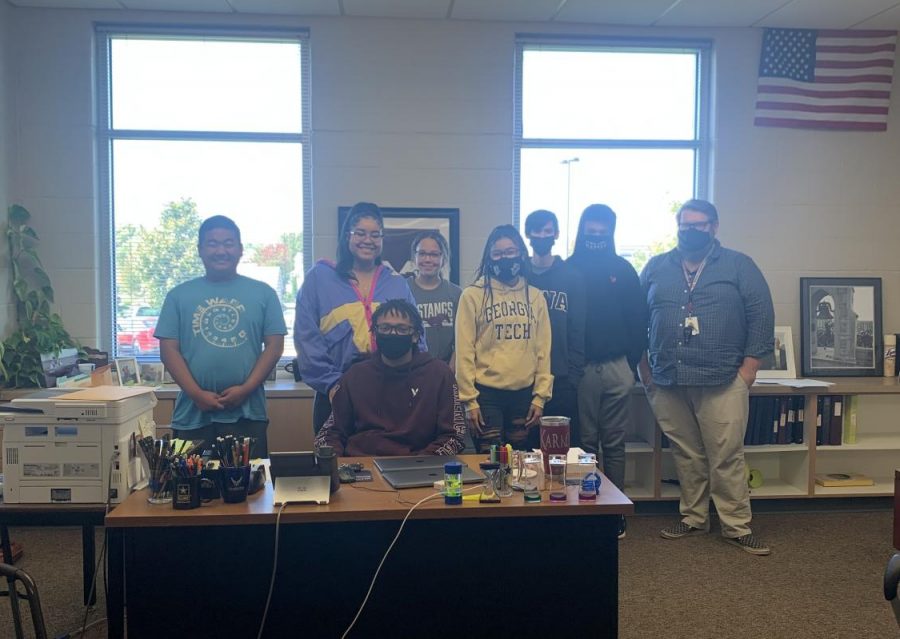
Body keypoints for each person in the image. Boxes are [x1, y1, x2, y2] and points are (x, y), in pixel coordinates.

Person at [639, 199, 775, 556]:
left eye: (698, 225)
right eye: (685, 225)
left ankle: (735, 526)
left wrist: (748, 370)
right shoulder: (656, 267)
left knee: (725, 456)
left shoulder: (739, 265)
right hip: (667, 378)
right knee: (687, 454)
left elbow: (761, 316)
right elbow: (635, 317)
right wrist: (645, 370)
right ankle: (694, 518)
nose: (691, 231)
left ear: (714, 227)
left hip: (722, 377)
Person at [155, 215, 286, 456]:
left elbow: (275, 347)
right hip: (192, 416)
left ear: (240, 250)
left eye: (228, 243)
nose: (221, 251)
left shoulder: (264, 293)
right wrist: (196, 394)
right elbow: (168, 350)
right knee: (189, 491)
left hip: (248, 414)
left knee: (251, 490)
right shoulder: (178, 296)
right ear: (200, 250)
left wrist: (246, 388)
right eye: (212, 244)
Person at [295, 202, 420, 434]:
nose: (368, 240)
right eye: (360, 233)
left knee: (388, 463)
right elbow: (306, 339)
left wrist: (417, 380)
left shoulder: (396, 282)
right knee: (337, 464)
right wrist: (331, 384)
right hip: (335, 391)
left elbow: (416, 336)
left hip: (390, 390)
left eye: (375, 234)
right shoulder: (319, 279)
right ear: (347, 236)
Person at [567, 204, 647, 539]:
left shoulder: (623, 269)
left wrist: (630, 364)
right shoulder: (568, 269)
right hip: (582, 369)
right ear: (582, 230)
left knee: (614, 442)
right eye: (591, 230)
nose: (596, 236)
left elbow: (639, 319)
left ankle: (615, 510)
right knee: (584, 443)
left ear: (611, 233)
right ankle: (587, 504)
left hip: (617, 367)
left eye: (602, 232)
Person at [315, 299, 465, 456]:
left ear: (415, 336)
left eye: (401, 329)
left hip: (418, 466)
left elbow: (454, 437)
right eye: (385, 328)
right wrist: (336, 465)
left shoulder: (439, 374)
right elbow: (330, 434)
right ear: (374, 333)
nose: (392, 334)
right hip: (362, 466)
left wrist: (422, 463)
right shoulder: (354, 376)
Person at [455, 224, 552, 451]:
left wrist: (540, 397)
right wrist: (469, 401)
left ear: (521, 254)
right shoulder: (472, 296)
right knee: (490, 465)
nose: (504, 258)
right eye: (497, 254)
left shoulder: (536, 297)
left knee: (520, 466)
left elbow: (543, 351)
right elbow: (464, 351)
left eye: (510, 252)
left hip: (524, 397)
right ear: (489, 258)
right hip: (486, 396)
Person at [523, 210, 585, 447]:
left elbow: (578, 329)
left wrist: (574, 376)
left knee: (561, 448)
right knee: (527, 448)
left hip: (561, 377)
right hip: (526, 378)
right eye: (537, 232)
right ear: (528, 235)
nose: (542, 236)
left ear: (556, 234)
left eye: (547, 231)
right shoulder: (520, 275)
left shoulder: (572, 276)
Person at [406, 230, 462, 368]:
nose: (428, 259)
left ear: (444, 258)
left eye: (434, 254)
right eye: (422, 253)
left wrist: (449, 373)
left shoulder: (457, 294)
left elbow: (462, 341)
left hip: (446, 370)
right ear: (414, 257)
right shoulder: (403, 290)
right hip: (410, 371)